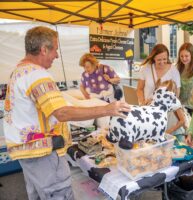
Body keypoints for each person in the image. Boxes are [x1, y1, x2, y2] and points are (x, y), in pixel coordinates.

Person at [3, 26, 130, 200]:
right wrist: (107, 109)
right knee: (58, 194)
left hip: (27, 152)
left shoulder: (18, 71)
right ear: (43, 49)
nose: (57, 55)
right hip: (44, 154)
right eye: (55, 49)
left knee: (39, 195)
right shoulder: (37, 75)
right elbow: (62, 113)